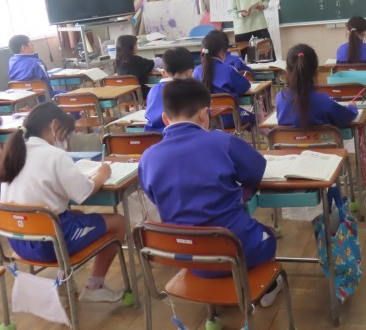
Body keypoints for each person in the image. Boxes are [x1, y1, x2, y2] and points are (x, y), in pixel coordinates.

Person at [138, 78, 282, 306]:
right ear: (205, 115)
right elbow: (256, 171)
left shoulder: (148, 157)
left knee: (214, 244)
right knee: (269, 236)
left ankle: (214, 302)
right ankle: (267, 288)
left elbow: (154, 196)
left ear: (165, 118)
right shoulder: (222, 141)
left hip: (185, 254)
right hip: (234, 247)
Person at [0, 103, 125, 302]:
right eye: (65, 135)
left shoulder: (13, 153)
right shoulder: (55, 155)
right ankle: (95, 286)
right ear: (55, 125)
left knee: (78, 215)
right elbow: (84, 192)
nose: (65, 141)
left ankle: (64, 280)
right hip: (49, 245)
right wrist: (102, 174)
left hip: (18, 241)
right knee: (118, 222)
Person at [277, 43, 358, 129]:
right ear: (316, 71)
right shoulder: (324, 102)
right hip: (324, 138)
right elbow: (346, 117)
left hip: (289, 138)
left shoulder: (280, 98)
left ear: (287, 71)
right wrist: (352, 107)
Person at [192, 30, 253, 128]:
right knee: (253, 117)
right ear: (221, 50)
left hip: (205, 120)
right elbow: (244, 86)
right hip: (230, 118)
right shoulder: (227, 70)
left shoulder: (196, 71)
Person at [144, 47, 194, 132]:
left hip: (152, 137)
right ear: (190, 73)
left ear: (164, 73)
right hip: (179, 137)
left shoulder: (153, 90)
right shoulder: (191, 90)